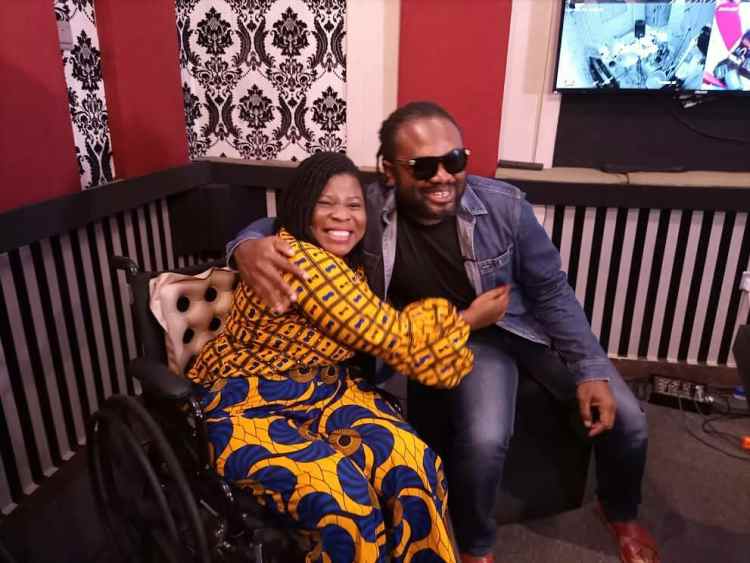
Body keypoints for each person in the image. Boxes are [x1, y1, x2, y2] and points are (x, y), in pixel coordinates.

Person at [229, 102, 659, 563]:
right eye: (423, 166)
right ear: (390, 171)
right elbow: (292, 219)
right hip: (465, 336)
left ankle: (620, 511)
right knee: (485, 438)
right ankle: (477, 546)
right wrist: (245, 246)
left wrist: (590, 368)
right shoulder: (366, 208)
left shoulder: (504, 206)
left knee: (630, 419)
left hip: (526, 326)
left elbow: (552, 291)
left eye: (455, 160)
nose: (443, 176)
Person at [188, 151, 508, 563]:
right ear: (303, 207)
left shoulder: (360, 256)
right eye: (326, 203)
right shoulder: (299, 259)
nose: (342, 215)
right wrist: (471, 318)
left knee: (417, 464)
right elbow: (387, 334)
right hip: (248, 398)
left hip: (328, 389)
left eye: (354, 205)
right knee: (345, 498)